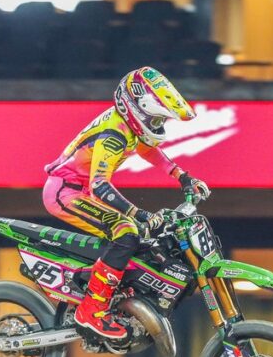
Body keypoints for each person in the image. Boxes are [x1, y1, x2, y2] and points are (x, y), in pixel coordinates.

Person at [42, 66, 209, 339]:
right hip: (66, 192)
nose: (159, 126)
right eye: (156, 120)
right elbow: (99, 186)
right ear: (137, 109)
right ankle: (91, 310)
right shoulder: (114, 136)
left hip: (79, 190)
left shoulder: (127, 127)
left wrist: (182, 176)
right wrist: (138, 213)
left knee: (140, 235)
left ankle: (116, 289)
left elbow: (147, 149)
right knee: (126, 233)